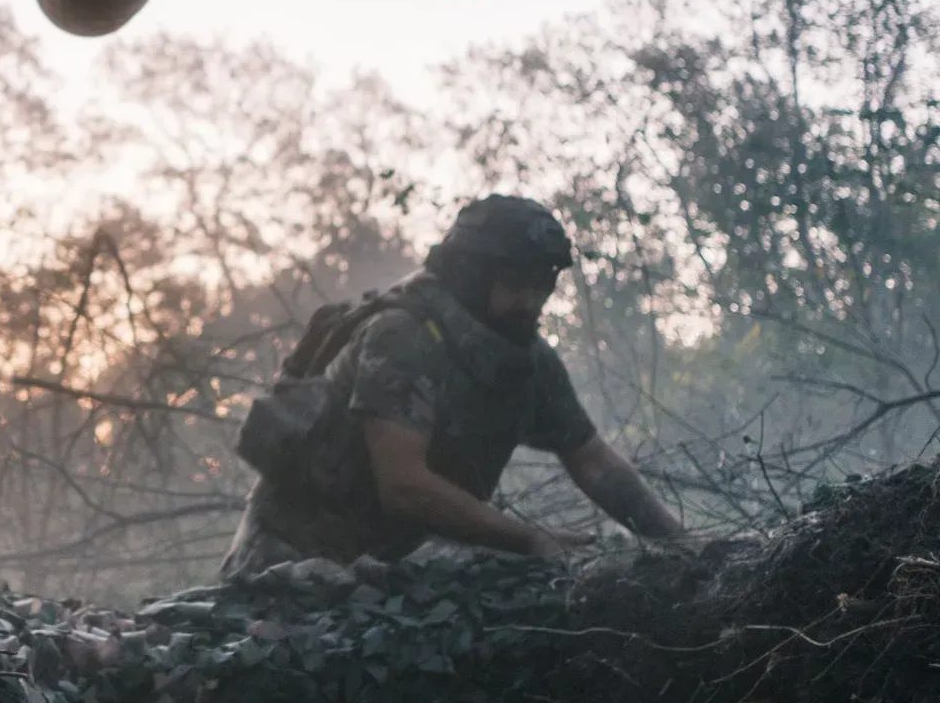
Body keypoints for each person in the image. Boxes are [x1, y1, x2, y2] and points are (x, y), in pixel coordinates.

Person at [222, 195, 685, 575]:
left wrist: (683, 543)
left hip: (386, 567)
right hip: (286, 563)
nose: (533, 299)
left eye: (543, 283)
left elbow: (593, 461)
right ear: (472, 273)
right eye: (517, 282)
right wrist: (531, 540)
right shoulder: (403, 335)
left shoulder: (528, 358)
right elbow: (402, 484)